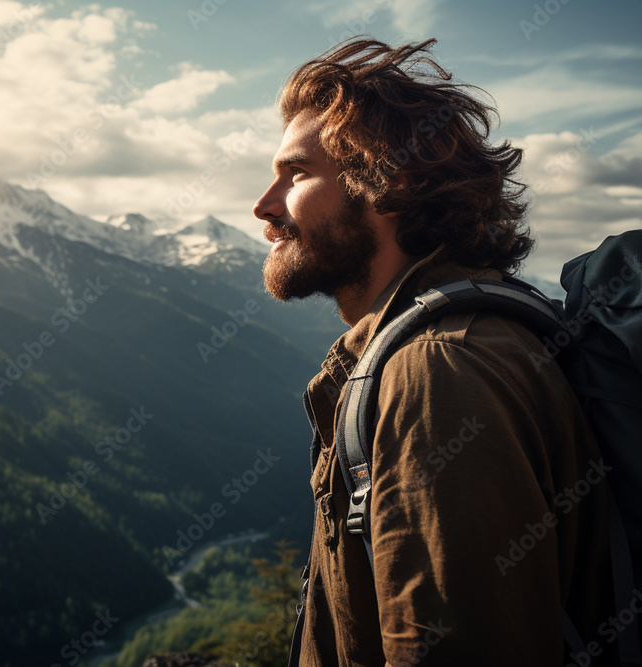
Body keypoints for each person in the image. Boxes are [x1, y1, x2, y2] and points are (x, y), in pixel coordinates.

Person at [254, 38, 617, 666]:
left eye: (297, 173)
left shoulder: (438, 371)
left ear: (387, 182)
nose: (263, 205)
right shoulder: (464, 336)